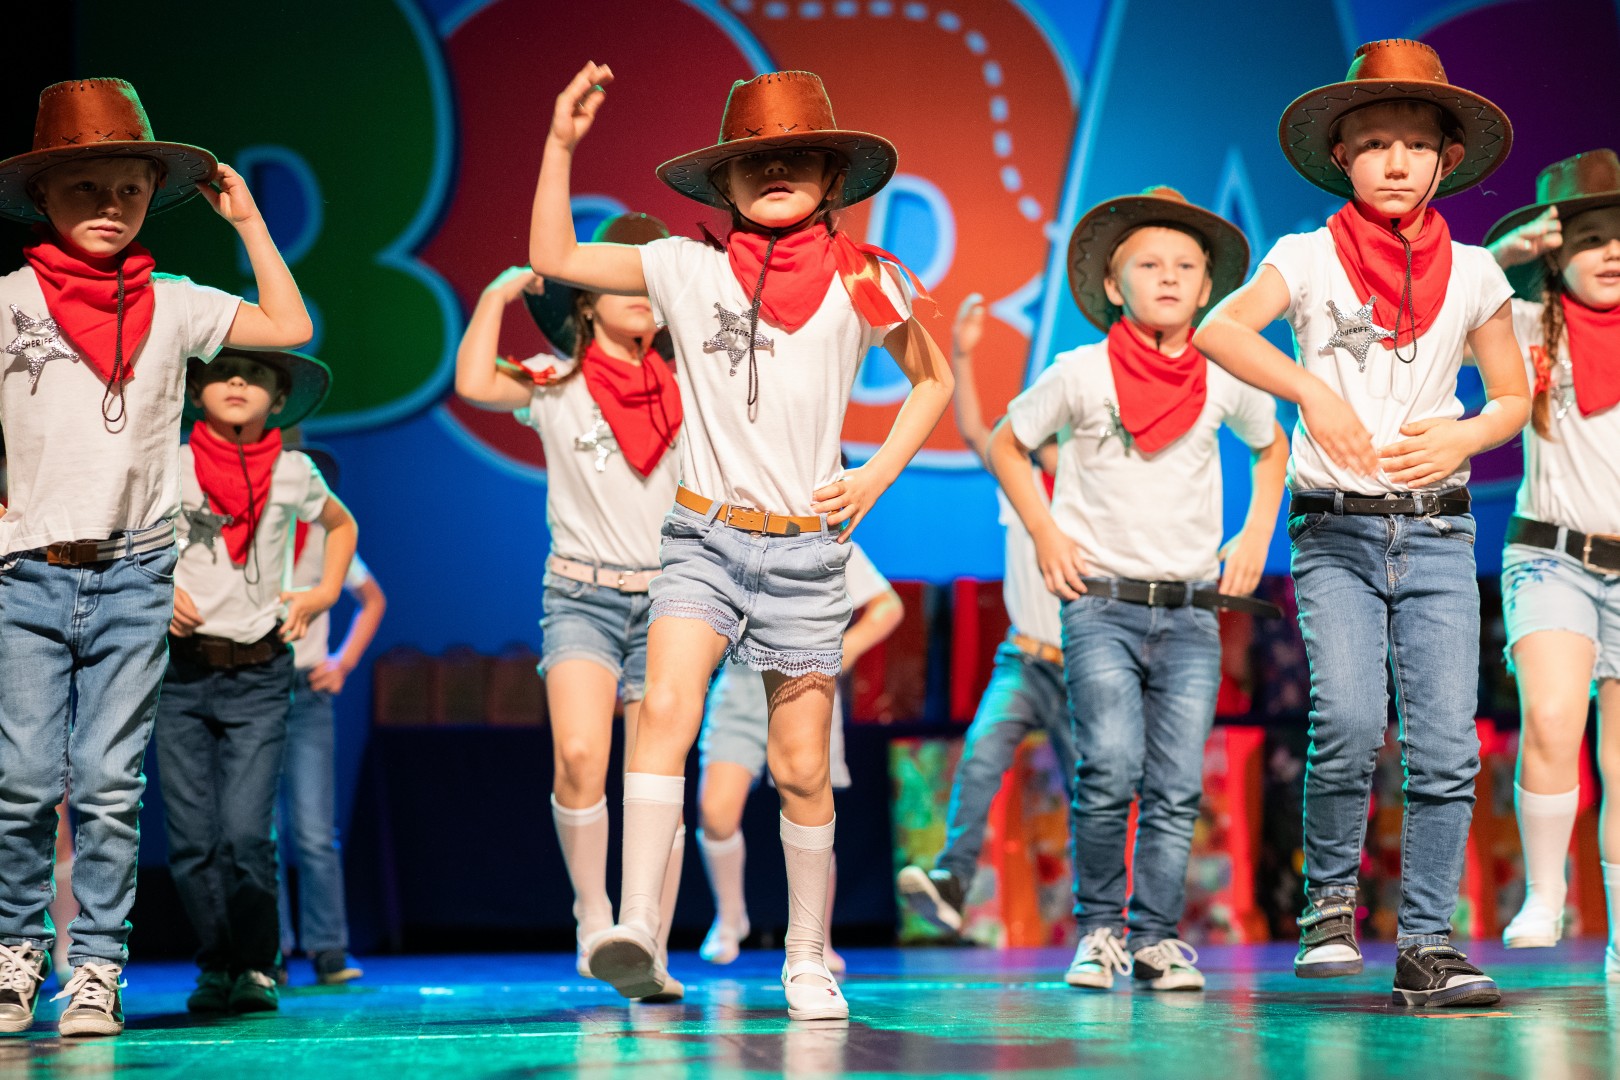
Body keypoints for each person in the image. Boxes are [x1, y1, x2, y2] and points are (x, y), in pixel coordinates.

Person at [530, 65, 953, 1020]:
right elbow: (553, 253)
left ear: (833, 178)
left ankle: (806, 956)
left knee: (800, 767)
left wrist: (874, 477)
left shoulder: (867, 278)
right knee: (666, 708)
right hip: (704, 539)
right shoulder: (684, 269)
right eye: (754, 162)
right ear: (722, 183)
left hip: (806, 554)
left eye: (798, 158)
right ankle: (639, 929)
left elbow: (934, 382)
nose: (776, 173)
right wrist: (560, 142)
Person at [1194, 39, 1529, 1006]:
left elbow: (1512, 397)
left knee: (1448, 744)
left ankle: (1427, 945)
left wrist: (1466, 434)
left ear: (1446, 160)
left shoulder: (1476, 272)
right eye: (1374, 143)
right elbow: (1219, 329)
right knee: (1346, 716)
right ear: (1341, 155)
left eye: (1415, 145)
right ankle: (1330, 903)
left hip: (1438, 531)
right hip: (1335, 530)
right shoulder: (1305, 257)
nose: (1395, 162)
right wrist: (1312, 391)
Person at [0, 78, 311, 1037]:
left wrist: (248, 224)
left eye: (129, 190)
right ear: (43, 195)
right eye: (85, 188)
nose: (109, 206)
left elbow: (291, 329)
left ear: (150, 197)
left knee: (105, 783)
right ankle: (17, 951)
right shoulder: (9, 301)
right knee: (22, 780)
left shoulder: (174, 304)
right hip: (28, 572)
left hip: (134, 575)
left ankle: (97, 966)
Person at [992, 187, 1286, 991]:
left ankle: (1155, 938)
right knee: (1111, 764)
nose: (1169, 278)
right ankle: (1098, 931)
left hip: (1190, 611)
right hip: (1101, 605)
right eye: (1148, 265)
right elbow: (1007, 443)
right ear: (1113, 286)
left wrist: (1256, 532)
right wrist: (1046, 531)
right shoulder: (1080, 372)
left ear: (1207, 286)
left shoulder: (1224, 374)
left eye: (1185, 266)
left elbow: (1271, 447)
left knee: (1177, 782)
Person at [454, 213, 685, 1000]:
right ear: (587, 299)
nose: (641, 295)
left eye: (651, 283)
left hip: (672, 602)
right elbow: (474, 383)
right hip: (582, 595)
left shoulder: (689, 390)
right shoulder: (556, 383)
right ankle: (594, 916)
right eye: (623, 280)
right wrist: (496, 297)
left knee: (656, 776)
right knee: (582, 758)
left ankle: (648, 942)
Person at [161, 350, 353, 1016]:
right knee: (191, 840)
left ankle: (257, 964)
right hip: (181, 673)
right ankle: (217, 964)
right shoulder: (172, 465)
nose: (238, 381)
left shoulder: (293, 470)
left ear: (278, 398)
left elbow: (341, 525)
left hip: (261, 671)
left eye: (255, 374)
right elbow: (131, 538)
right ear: (194, 392)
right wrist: (160, 589)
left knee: (247, 833)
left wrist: (322, 593)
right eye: (222, 372)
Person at [1483, 149, 1620, 980]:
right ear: (1553, 250)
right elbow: (1450, 315)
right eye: (1592, 237)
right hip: (1552, 557)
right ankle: (1545, 893)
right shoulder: (1530, 327)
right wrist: (1504, 259)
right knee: (1554, 717)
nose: (1612, 252)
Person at [898, 295, 1074, 936]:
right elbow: (977, 431)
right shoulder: (1022, 484)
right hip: (1024, 658)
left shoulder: (1100, 497)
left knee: (1096, 793)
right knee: (980, 757)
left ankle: (1109, 919)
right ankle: (952, 879)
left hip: (1085, 664)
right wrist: (964, 355)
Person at [697, 541, 903, 971]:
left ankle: (816, 939)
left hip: (806, 684)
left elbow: (888, 606)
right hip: (740, 688)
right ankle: (730, 918)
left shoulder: (823, 538)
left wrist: (846, 648)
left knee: (810, 814)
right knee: (715, 813)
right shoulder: (725, 530)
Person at [274, 442, 386, 986]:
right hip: (252, 685)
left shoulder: (327, 537)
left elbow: (373, 599)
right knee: (259, 831)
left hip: (308, 692)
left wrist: (342, 662)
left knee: (315, 828)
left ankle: (328, 948)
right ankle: (267, 950)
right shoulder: (259, 530)